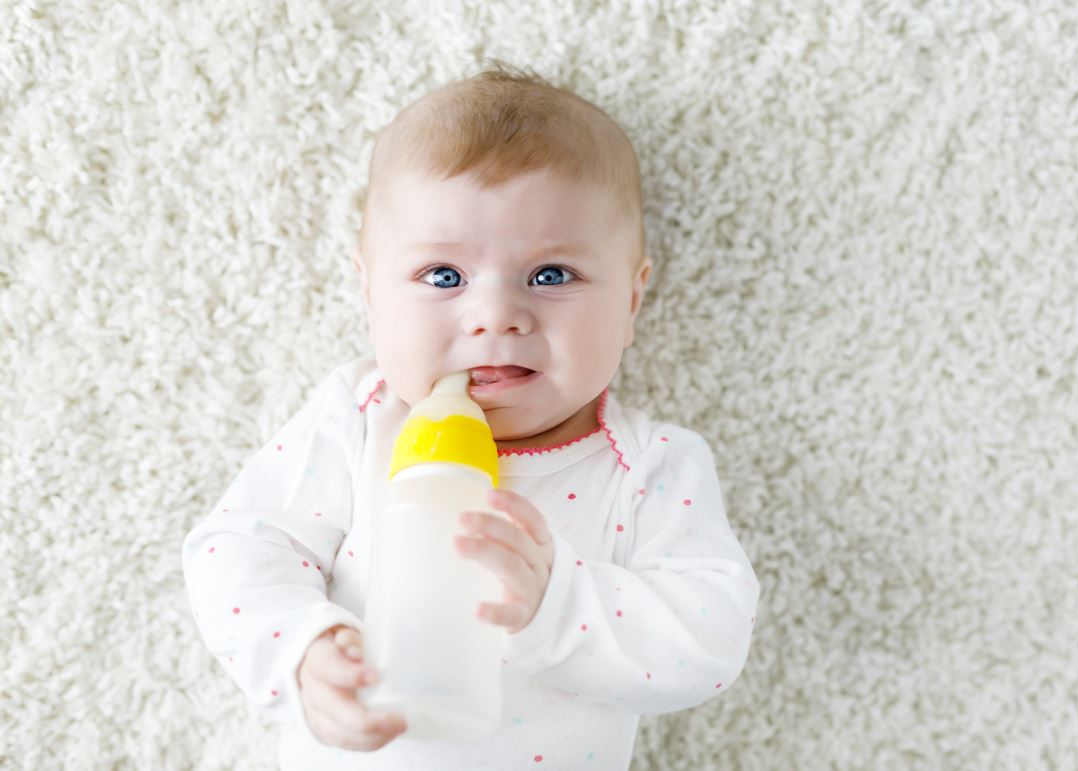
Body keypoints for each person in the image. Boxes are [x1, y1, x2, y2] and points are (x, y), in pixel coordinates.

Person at [182, 61, 760, 770]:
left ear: (632, 302)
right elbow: (238, 548)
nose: (494, 317)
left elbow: (710, 637)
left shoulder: (648, 466)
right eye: (444, 277)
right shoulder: (359, 419)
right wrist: (301, 650)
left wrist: (558, 601)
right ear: (370, 292)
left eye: (551, 276)